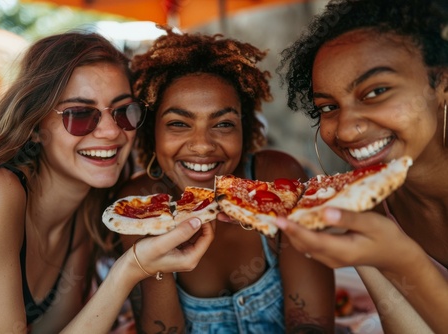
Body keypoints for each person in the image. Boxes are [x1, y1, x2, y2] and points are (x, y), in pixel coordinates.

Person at [0, 31, 214, 333]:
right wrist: (130, 269)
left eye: (123, 111)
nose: (112, 132)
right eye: (80, 114)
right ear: (34, 126)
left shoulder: (87, 209)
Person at [115, 28, 335, 333]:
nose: (203, 145)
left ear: (244, 130)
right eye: (178, 123)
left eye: (223, 124)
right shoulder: (141, 207)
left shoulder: (274, 181)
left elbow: (311, 326)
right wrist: (159, 251)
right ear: (152, 132)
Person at [276, 0, 448, 332]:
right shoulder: (371, 203)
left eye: (376, 91)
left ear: (441, 84)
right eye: (327, 107)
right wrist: (366, 246)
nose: (344, 130)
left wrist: (405, 261)